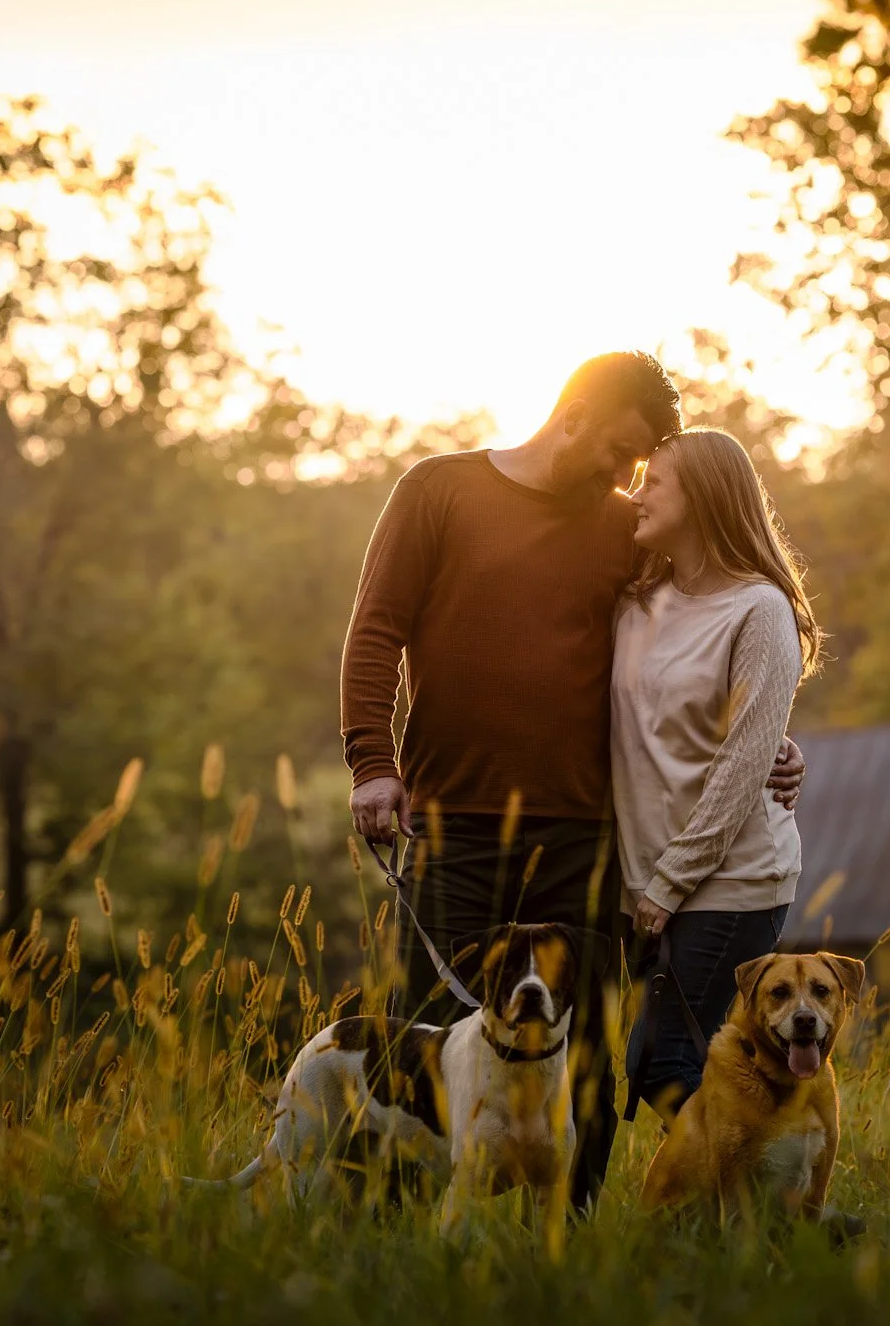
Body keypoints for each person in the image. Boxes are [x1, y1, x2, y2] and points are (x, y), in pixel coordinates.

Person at [340, 350, 805, 1214]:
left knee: (584, 1038)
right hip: (454, 823)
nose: (626, 476)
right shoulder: (437, 489)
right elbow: (375, 630)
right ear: (576, 410)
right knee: (427, 1029)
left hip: (586, 838)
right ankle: (410, 1218)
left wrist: (776, 742)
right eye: (620, 449)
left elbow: (711, 639)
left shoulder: (624, 531)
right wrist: (373, 761)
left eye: (641, 464)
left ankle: (575, 1219)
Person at [613, 427, 824, 1120]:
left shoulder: (760, 610)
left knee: (661, 1055)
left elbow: (742, 764)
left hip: (730, 880)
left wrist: (669, 882)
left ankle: (771, 1198)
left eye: (654, 481)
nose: (636, 495)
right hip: (653, 878)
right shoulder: (639, 600)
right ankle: (765, 1209)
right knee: (674, 1055)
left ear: (701, 497)